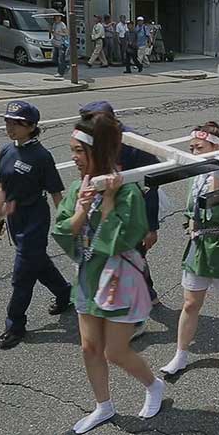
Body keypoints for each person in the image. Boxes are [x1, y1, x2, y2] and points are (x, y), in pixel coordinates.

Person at [52, 114, 165, 433]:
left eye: (78, 151)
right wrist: (81, 211)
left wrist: (109, 202)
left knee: (114, 351)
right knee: (89, 348)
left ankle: (153, 384)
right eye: (72, 150)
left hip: (120, 278)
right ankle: (103, 405)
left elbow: (123, 241)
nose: (73, 158)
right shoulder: (78, 188)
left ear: (98, 153)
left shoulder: (127, 190)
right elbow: (62, 232)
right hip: (89, 276)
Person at [0, 101, 73, 349]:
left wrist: (68, 223)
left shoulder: (42, 156)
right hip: (13, 217)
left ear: (31, 126)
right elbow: (1, 184)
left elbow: (55, 193)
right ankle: (64, 292)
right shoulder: (6, 151)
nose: (9, 127)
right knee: (38, 264)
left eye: (16, 123)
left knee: (22, 276)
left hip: (34, 221)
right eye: (7, 121)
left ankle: (15, 325)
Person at [161, 122, 219, 374]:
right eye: (192, 147)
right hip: (198, 244)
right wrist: (190, 222)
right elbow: (192, 208)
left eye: (199, 147)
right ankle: (181, 354)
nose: (194, 152)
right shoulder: (198, 173)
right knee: (190, 303)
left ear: (216, 147)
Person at [79, 102, 161, 338]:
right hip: (106, 208)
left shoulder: (132, 143)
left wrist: (150, 227)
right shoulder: (92, 139)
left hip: (132, 209)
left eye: (90, 119)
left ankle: (136, 320)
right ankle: (148, 293)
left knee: (126, 259)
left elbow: (152, 183)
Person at [50, 14, 69, 78]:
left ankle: (60, 73)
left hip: (61, 43)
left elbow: (66, 33)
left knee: (61, 59)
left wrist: (59, 33)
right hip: (55, 43)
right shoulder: (54, 24)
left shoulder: (62, 24)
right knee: (54, 58)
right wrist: (51, 32)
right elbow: (53, 33)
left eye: (59, 17)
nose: (57, 18)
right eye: (56, 17)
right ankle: (65, 66)